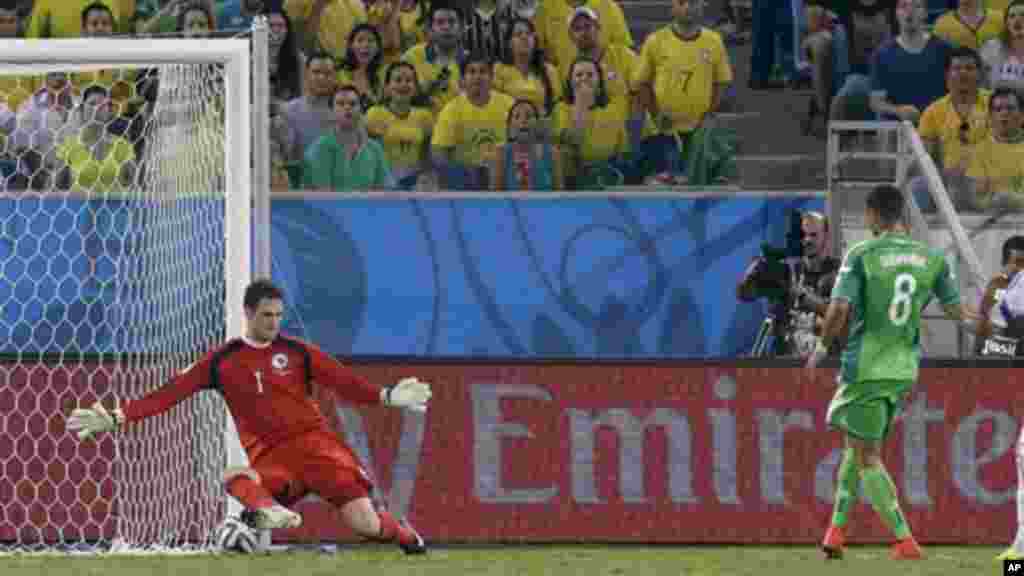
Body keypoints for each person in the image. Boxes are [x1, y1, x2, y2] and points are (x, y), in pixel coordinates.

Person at [66, 278, 430, 554]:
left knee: (366, 525)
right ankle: (272, 511)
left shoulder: (297, 352)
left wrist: (386, 396)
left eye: (278, 315)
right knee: (232, 476)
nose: (274, 323)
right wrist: (116, 417)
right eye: (266, 315)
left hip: (319, 452)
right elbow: (167, 395)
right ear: (248, 313)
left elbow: (343, 382)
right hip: (275, 463)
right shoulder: (221, 361)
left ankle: (404, 534)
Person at [806, 184, 980, 561]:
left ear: (872, 214)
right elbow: (958, 313)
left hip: (866, 368)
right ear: (901, 214)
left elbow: (838, 309)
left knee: (866, 456)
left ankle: (904, 539)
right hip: (902, 369)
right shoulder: (932, 258)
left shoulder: (863, 253)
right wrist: (988, 324)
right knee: (856, 448)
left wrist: (820, 348)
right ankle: (834, 535)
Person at [975, 234, 1024, 356]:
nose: (1021, 270)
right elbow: (983, 340)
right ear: (1004, 263)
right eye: (1018, 263)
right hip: (1003, 354)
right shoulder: (996, 287)